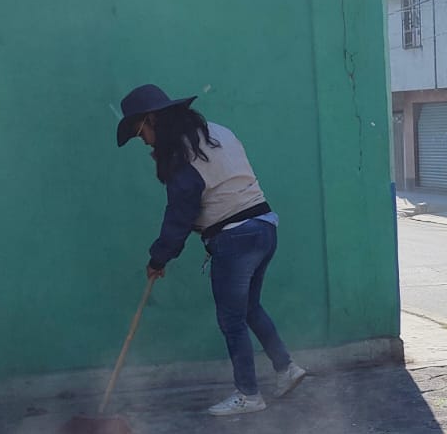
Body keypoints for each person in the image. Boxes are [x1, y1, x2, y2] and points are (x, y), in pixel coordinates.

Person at [116, 84, 306, 416]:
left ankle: (248, 394)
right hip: (264, 227)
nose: (143, 140)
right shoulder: (216, 132)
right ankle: (286, 368)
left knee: (231, 318)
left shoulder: (179, 154)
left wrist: (159, 258)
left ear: (151, 120)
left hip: (234, 238)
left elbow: (181, 211)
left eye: (139, 131)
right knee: (249, 308)